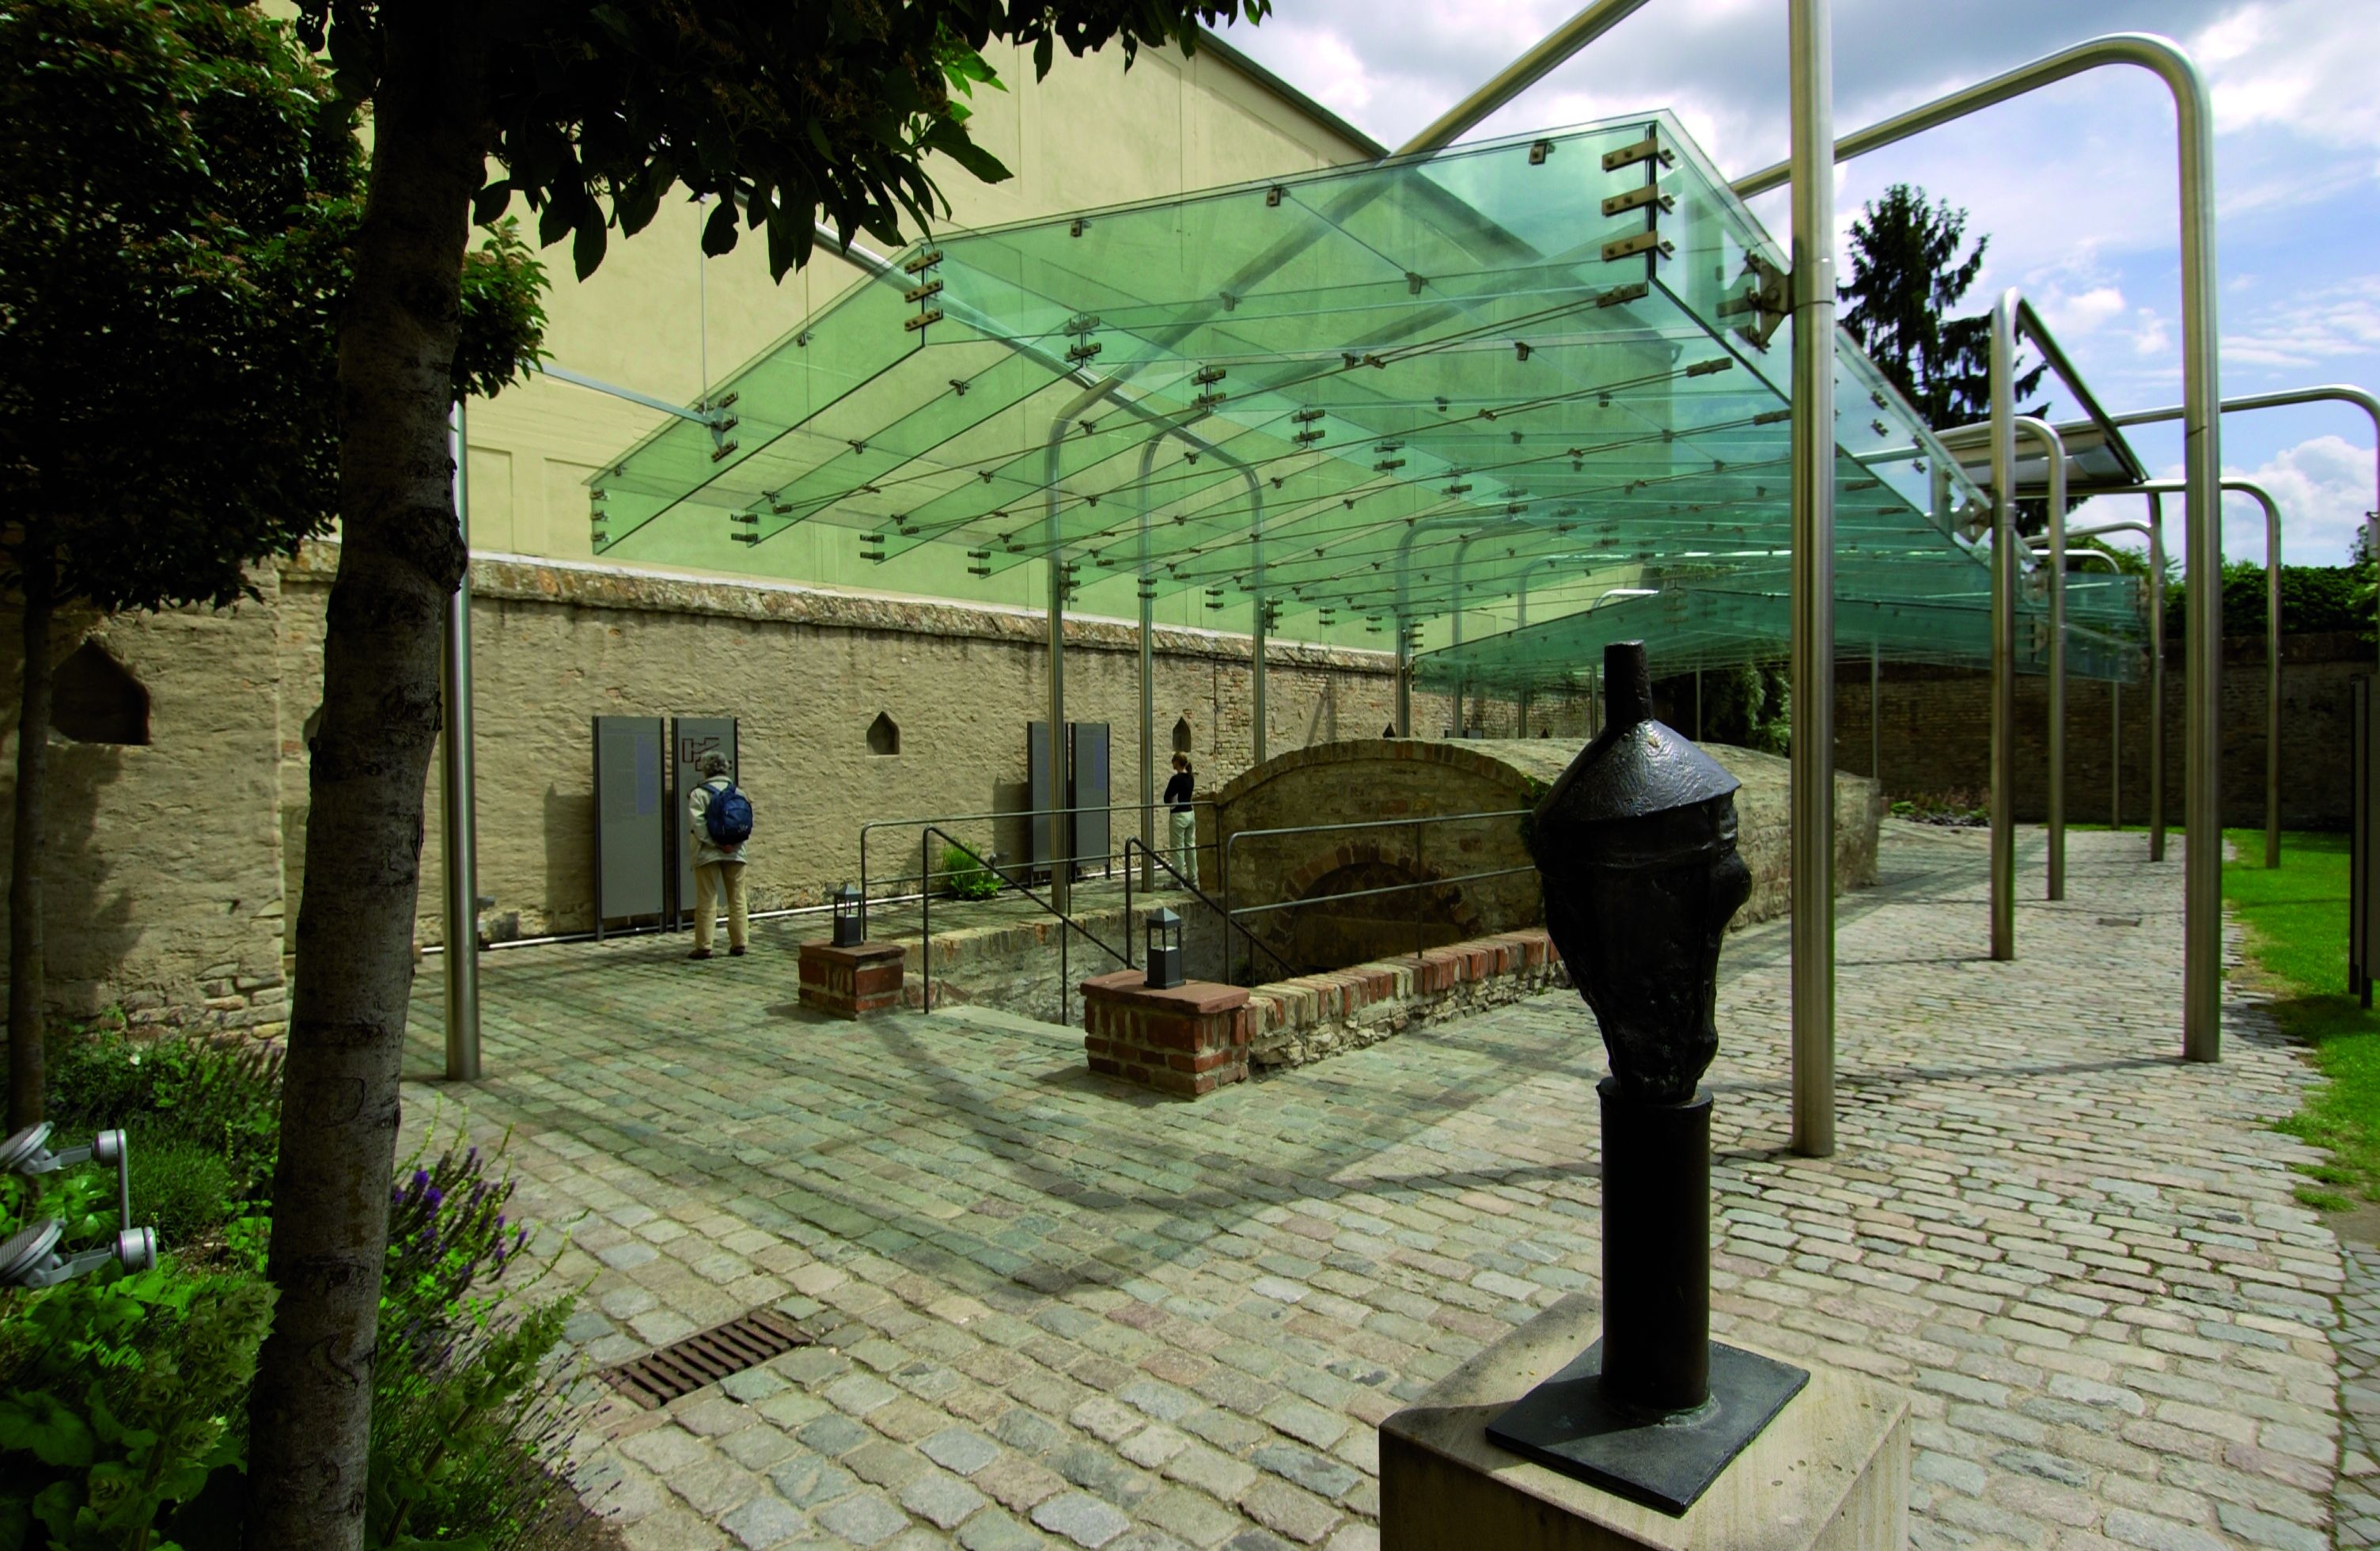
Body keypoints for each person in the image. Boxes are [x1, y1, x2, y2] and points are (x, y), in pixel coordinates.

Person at [686, 750, 748, 959]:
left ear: (706, 769)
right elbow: (745, 823)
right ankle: (740, 943)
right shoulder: (738, 792)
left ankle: (704, 946)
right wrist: (731, 844)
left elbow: (698, 825)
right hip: (736, 851)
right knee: (737, 897)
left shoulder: (699, 794)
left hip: (707, 853)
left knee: (707, 898)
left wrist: (716, 844)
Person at [1164, 752, 1198, 888]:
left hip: (1178, 815)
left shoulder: (1176, 779)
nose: (1172, 763)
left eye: (1173, 761)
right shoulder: (1191, 778)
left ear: (1177, 762)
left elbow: (1167, 798)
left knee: (1177, 848)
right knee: (1190, 847)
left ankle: (1177, 880)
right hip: (1190, 813)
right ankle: (1193, 878)